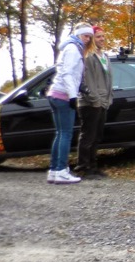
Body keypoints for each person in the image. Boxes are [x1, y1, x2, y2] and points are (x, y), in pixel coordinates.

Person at [46, 23, 94, 184]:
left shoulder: (70, 47)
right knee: (65, 134)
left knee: (60, 133)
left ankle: (54, 170)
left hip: (56, 93)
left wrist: (79, 87)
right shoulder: (73, 49)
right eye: (86, 36)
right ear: (79, 34)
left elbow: (69, 74)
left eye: (90, 37)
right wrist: (73, 96)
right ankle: (61, 170)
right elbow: (67, 73)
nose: (88, 39)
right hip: (63, 95)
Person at [75, 25, 113, 178]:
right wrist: (94, 99)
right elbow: (88, 80)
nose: (102, 39)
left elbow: (108, 79)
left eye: (103, 36)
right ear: (91, 39)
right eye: (98, 37)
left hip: (103, 101)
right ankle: (83, 167)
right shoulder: (88, 56)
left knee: (97, 136)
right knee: (88, 136)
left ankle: (93, 166)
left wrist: (109, 98)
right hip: (90, 103)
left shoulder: (105, 56)